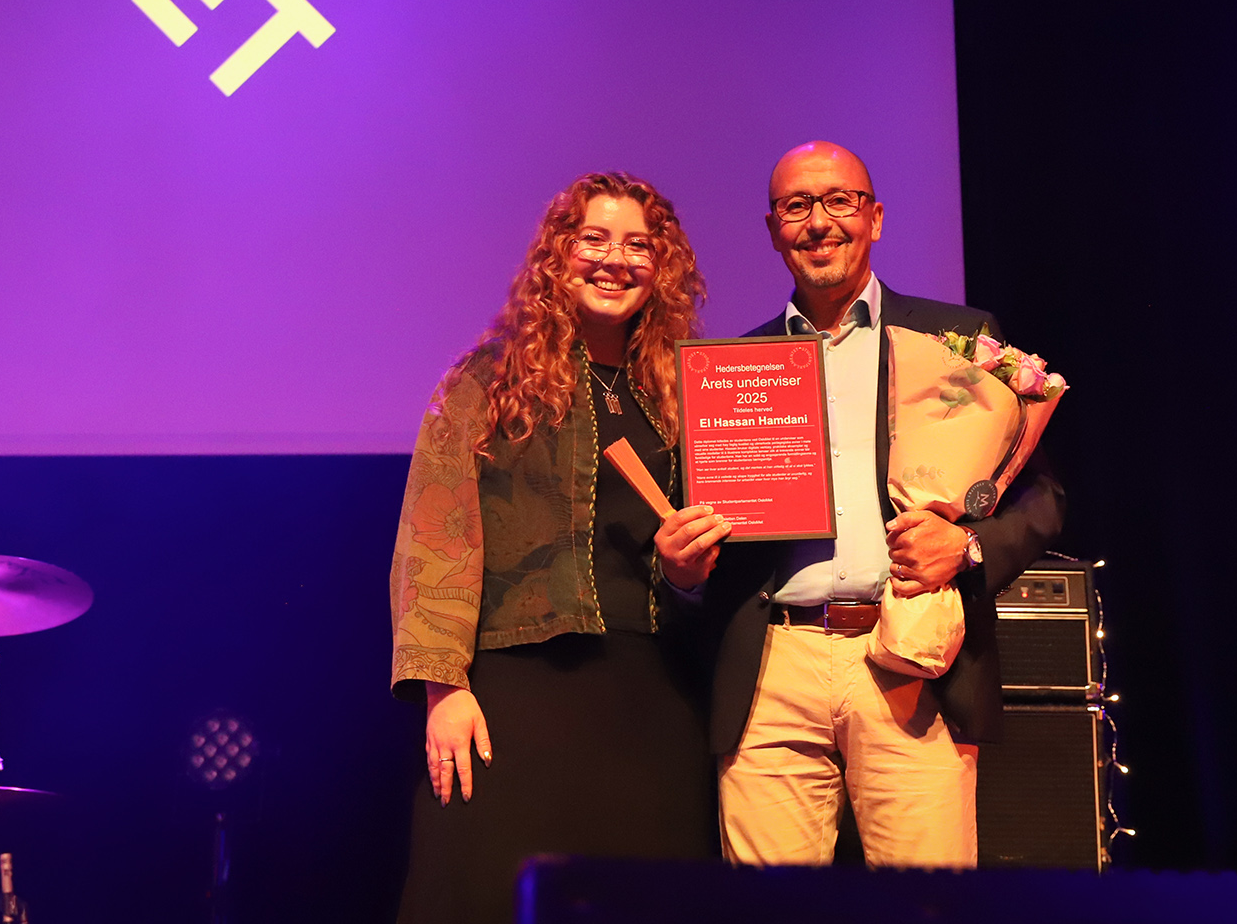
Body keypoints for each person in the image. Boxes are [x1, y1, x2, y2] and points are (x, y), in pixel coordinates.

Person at [665, 140, 1066, 867]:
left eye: (839, 201)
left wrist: (968, 548)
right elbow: (706, 548)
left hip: (909, 658)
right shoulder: (729, 370)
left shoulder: (958, 340)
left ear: (875, 218)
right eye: (796, 206)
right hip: (772, 666)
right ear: (773, 228)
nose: (819, 222)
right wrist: (682, 571)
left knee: (927, 908)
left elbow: (1043, 496)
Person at [388, 171, 728, 924]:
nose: (616, 260)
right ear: (557, 255)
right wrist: (443, 686)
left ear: (662, 266)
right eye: (594, 239)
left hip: (654, 698)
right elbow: (434, 534)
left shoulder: (686, 389)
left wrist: (688, 576)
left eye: (639, 245)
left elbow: (715, 558)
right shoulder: (487, 379)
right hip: (519, 693)